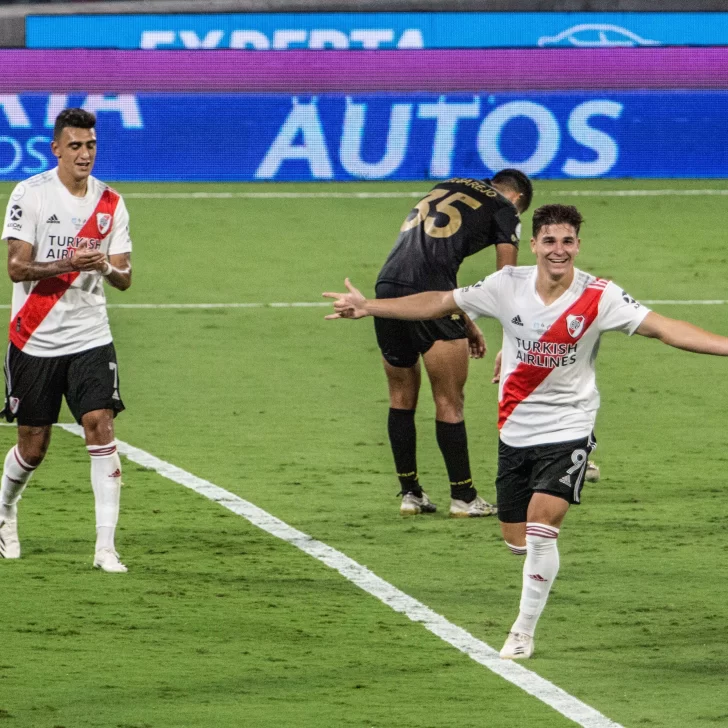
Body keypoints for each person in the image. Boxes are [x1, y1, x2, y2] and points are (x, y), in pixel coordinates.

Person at [324, 203, 728, 658]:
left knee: (541, 529)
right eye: (550, 241)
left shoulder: (600, 295)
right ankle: (537, 568)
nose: (559, 251)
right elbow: (439, 301)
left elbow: (666, 329)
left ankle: (522, 631)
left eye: (568, 242)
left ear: (578, 245)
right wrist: (369, 306)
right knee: (516, 539)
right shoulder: (506, 285)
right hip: (516, 429)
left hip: (570, 425)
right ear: (533, 244)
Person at [0, 108, 133, 573]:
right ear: (55, 148)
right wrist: (72, 263)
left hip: (91, 336)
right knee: (33, 447)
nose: (84, 154)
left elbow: (125, 278)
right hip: (34, 339)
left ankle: (105, 548)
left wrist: (105, 267)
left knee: (100, 424)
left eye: (91, 146)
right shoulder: (30, 194)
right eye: (75, 146)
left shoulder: (111, 203)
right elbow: (16, 268)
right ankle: (5, 510)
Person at [373, 170, 533, 518]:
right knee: (449, 400)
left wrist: (465, 319)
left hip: (387, 288)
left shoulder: (448, 185)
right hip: (431, 295)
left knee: (400, 396)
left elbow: (433, 257)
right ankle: (463, 497)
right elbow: (505, 280)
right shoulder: (506, 207)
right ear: (518, 199)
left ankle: (411, 493)